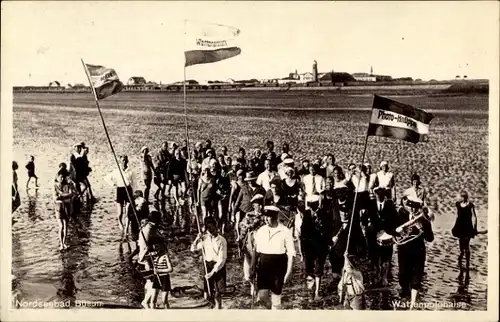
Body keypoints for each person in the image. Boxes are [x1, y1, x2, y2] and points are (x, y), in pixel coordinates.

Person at [396, 173, 434, 310]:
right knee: (402, 277)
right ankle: (404, 295)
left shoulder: (424, 219)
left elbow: (430, 238)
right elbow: (394, 233)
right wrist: (399, 231)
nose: (412, 208)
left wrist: (423, 229)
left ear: (419, 206)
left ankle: (412, 306)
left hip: (418, 252)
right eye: (410, 205)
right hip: (404, 251)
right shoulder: (401, 216)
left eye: (415, 206)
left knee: (416, 279)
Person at [252, 205, 296, 310]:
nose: (266, 219)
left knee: (276, 299)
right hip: (263, 267)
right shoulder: (261, 231)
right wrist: (252, 267)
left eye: (269, 216)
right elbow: (256, 251)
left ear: (276, 216)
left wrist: (289, 272)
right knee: (262, 297)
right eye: (265, 216)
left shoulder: (285, 231)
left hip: (278, 268)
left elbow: (291, 254)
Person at [190, 217, 228, 309]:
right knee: (207, 295)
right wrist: (196, 239)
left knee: (217, 294)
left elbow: (222, 259)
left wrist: (212, 273)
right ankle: (214, 307)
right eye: (208, 229)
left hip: (219, 267)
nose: (210, 231)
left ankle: (218, 309)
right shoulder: (204, 239)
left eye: (211, 228)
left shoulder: (222, 240)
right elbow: (193, 250)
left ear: (216, 227)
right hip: (207, 266)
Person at [299, 199, 333, 300]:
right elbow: (303, 231)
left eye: (314, 205)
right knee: (308, 269)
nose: (313, 207)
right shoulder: (306, 214)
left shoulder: (323, 214)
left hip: (320, 246)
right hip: (309, 246)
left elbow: (327, 229)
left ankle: (317, 291)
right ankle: (311, 290)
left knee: (318, 268)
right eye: (311, 205)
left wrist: (328, 243)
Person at [239, 194, 266, 296]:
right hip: (250, 242)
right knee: (248, 260)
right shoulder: (249, 215)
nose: (260, 207)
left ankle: (259, 285)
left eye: (261, 204)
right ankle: (251, 283)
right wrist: (247, 227)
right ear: (254, 205)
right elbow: (242, 226)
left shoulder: (265, 216)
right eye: (258, 204)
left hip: (262, 243)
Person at [371, 187, 398, 286]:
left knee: (386, 259)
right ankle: (377, 276)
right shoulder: (371, 204)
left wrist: (391, 231)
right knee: (376, 258)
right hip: (374, 236)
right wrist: (369, 225)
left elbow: (395, 219)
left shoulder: (390, 205)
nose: (379, 197)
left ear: (384, 196)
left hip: (387, 235)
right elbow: (365, 218)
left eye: (381, 196)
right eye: (377, 196)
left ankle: (384, 278)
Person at [105, 155, 136, 235]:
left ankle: (126, 229)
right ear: (120, 161)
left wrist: (136, 193)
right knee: (120, 213)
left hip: (128, 190)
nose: (124, 162)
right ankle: (120, 222)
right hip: (120, 190)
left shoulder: (130, 171)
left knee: (128, 212)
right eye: (122, 160)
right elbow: (106, 178)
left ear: (127, 161)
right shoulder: (117, 171)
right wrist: (113, 184)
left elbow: (134, 183)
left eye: (125, 160)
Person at [451, 191, 478, 281]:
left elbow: (474, 217)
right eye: (461, 197)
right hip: (460, 228)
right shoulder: (458, 204)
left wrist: (475, 228)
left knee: (466, 246)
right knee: (461, 248)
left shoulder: (470, 205)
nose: (461, 198)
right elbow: (457, 216)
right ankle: (461, 265)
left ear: (466, 197)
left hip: (467, 229)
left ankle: (467, 265)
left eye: (463, 197)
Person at [232, 171, 266, 241]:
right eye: (248, 181)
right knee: (242, 229)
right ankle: (240, 241)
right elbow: (237, 201)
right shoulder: (244, 188)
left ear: (255, 180)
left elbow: (264, 201)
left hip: (255, 212)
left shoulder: (260, 189)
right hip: (244, 210)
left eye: (251, 180)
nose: (250, 182)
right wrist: (233, 213)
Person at [54, 167, 78, 250]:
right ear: (57, 177)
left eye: (63, 177)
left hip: (66, 206)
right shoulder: (55, 186)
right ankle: (61, 244)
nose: (62, 178)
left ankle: (64, 243)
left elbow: (73, 194)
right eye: (60, 177)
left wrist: (62, 196)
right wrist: (66, 195)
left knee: (66, 226)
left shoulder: (67, 185)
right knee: (61, 226)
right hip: (59, 207)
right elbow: (55, 198)